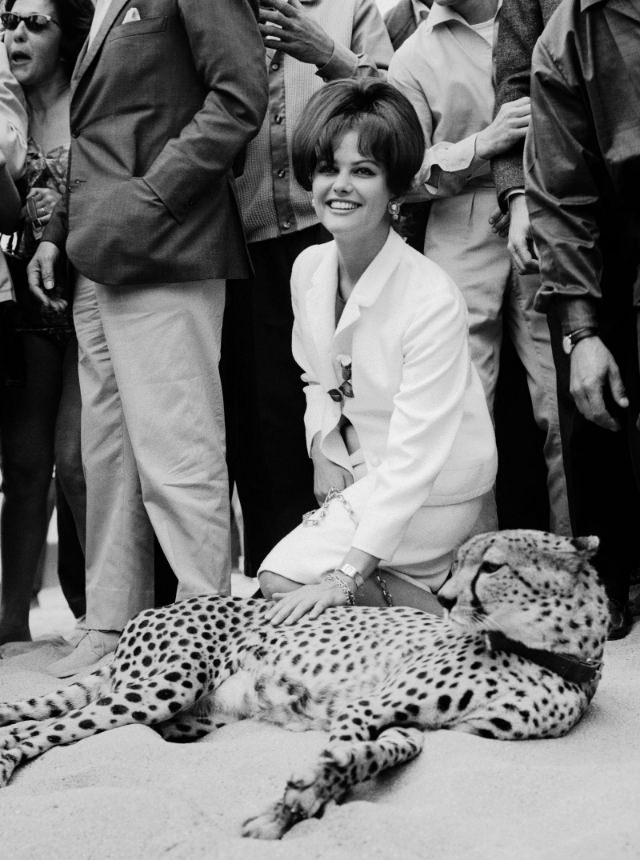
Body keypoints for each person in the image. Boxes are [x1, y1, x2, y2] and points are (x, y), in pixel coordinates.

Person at [27, 0, 268, 676]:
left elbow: (241, 96)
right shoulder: (99, 6)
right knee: (106, 455)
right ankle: (111, 623)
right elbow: (95, 133)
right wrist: (56, 234)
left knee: (178, 448)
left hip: (169, 245)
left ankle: (204, 631)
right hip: (96, 254)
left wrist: (152, 197)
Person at [258, 79, 497, 625]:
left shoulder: (431, 295)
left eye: (362, 171)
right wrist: (323, 449)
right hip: (366, 468)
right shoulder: (309, 267)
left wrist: (349, 576)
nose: (339, 186)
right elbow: (316, 379)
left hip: (437, 488)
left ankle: (449, 621)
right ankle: (410, 600)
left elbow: (417, 459)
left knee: (282, 580)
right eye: (327, 169)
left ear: (394, 187)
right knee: (293, 592)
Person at [223, 0, 393, 581]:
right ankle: (281, 583)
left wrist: (327, 54)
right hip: (241, 247)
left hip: (337, 237)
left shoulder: (353, 8)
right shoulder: (214, 13)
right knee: (263, 424)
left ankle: (361, 577)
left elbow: (398, 113)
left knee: (353, 404)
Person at [387, 0, 569, 536]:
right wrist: (478, 146)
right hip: (458, 232)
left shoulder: (545, 15)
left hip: (548, 216)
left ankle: (574, 566)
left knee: (562, 407)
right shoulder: (412, 56)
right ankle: (472, 570)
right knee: (464, 415)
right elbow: (398, 171)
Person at [525, 0, 640, 639]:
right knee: (595, 400)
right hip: (615, 249)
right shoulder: (570, 33)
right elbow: (562, 195)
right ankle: (607, 586)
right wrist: (581, 332)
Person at [0, 0, 91, 646]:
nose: (18, 34)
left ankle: (97, 612)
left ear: (68, 34)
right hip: (21, 310)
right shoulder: (6, 112)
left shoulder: (91, 94)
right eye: (9, 22)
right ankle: (11, 624)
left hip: (90, 298)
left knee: (78, 460)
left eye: (36, 23)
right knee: (27, 466)